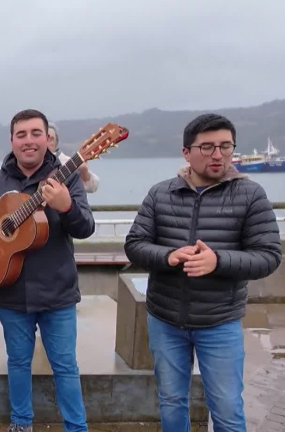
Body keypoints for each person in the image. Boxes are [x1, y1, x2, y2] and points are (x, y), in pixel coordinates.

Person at [124, 113, 282, 432]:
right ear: (187, 152)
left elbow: (269, 256)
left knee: (227, 409)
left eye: (226, 146)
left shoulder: (250, 195)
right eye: (207, 147)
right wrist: (168, 256)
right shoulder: (160, 194)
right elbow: (135, 244)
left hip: (219, 321)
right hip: (165, 319)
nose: (218, 154)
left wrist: (218, 261)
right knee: (171, 402)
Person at [0, 109, 95, 432]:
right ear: (12, 140)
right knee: (17, 362)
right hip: (11, 290)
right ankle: (21, 423)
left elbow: (86, 228)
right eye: (21, 134)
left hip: (58, 292)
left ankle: (76, 427)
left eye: (36, 133)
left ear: (47, 138)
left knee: (65, 366)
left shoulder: (66, 177)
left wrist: (66, 206)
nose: (29, 141)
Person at [47, 122, 99, 193]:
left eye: (51, 139)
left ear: (56, 142)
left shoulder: (68, 162)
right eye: (44, 139)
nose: (46, 143)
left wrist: (84, 172)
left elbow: (92, 187)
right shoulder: (32, 162)